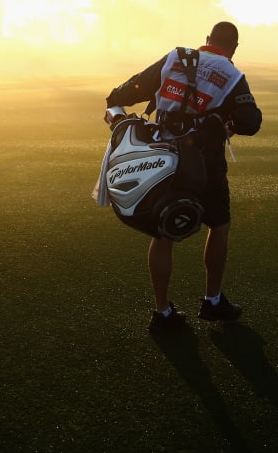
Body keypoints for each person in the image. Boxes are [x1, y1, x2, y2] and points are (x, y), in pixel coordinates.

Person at [103, 21, 262, 333]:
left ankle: (162, 312)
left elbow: (120, 95)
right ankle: (212, 300)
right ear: (234, 49)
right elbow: (251, 120)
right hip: (208, 164)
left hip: (164, 160)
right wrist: (225, 122)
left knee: (163, 234)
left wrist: (119, 117)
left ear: (205, 40)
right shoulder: (231, 75)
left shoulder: (175, 58)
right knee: (219, 225)